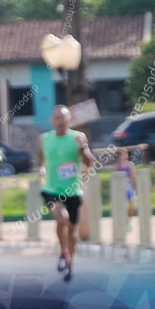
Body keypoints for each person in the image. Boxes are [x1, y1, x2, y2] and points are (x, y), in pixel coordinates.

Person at [38, 105, 95, 282]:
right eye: (56, 117)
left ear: (69, 120)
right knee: (61, 219)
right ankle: (64, 252)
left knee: (72, 230)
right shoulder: (44, 139)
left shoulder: (78, 137)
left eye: (63, 117)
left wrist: (83, 148)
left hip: (73, 190)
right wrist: (40, 169)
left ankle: (70, 261)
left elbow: (89, 162)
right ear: (52, 121)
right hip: (51, 189)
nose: (60, 121)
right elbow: (41, 157)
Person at [114, 148, 136, 231]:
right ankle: (122, 223)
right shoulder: (117, 166)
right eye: (122, 154)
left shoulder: (130, 165)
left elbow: (133, 177)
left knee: (132, 204)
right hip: (121, 189)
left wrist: (134, 186)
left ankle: (128, 221)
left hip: (129, 188)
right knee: (122, 206)